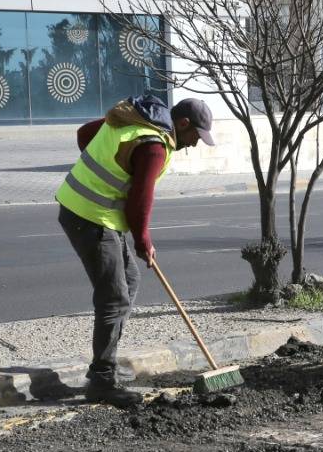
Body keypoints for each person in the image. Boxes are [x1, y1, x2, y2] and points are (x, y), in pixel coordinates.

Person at [55, 95, 213, 406]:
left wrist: (106, 164)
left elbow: (85, 134)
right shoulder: (154, 146)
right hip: (89, 216)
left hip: (88, 211)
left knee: (129, 281)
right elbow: (140, 201)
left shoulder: (136, 122)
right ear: (182, 124)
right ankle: (101, 379)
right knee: (114, 297)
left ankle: (107, 363)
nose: (195, 144)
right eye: (196, 136)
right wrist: (143, 241)